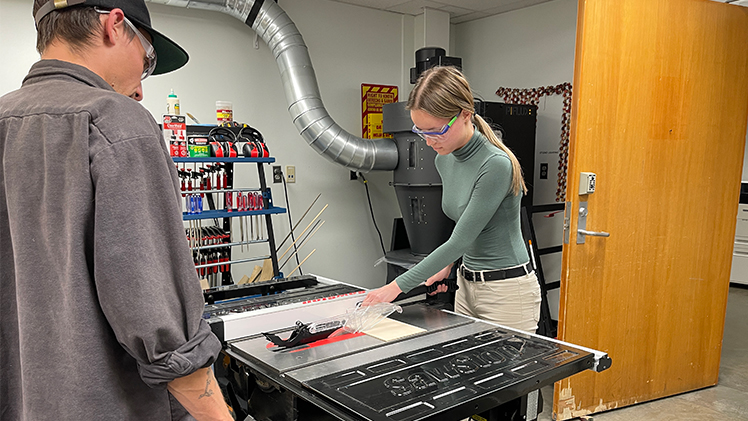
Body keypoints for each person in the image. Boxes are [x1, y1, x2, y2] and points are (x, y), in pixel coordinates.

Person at [0, 1, 232, 420]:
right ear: (114, 25)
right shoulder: (117, 122)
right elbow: (158, 322)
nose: (141, 88)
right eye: (147, 62)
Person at [362, 66, 541, 333]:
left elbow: (460, 240)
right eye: (420, 131)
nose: (428, 141)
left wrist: (394, 288)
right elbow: (467, 226)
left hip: (507, 292)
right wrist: (448, 265)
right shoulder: (443, 160)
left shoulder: (495, 165)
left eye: (435, 131)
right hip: (466, 286)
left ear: (465, 114)